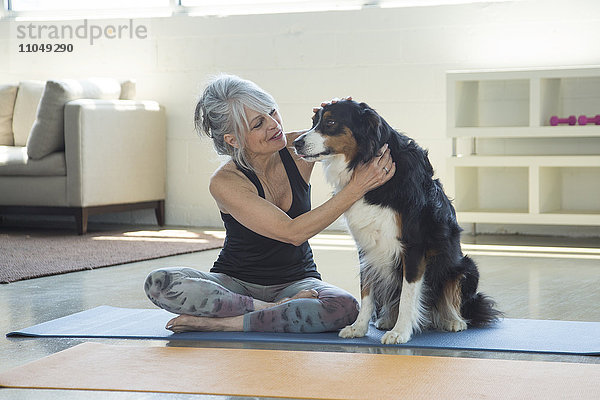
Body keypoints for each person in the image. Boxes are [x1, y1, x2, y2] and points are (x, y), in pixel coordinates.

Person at [144, 74, 395, 334]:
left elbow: (371, 140)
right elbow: (292, 232)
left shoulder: (299, 150)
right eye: (258, 124)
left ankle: (226, 324)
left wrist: (346, 115)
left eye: (272, 111)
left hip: (299, 283)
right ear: (233, 139)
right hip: (235, 284)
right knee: (160, 283)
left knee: (344, 307)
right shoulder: (226, 181)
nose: (274, 125)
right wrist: (356, 188)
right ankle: (264, 310)